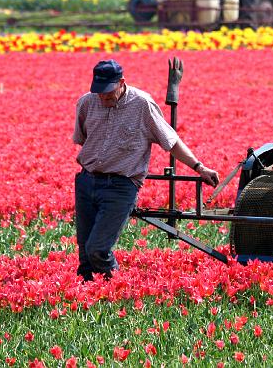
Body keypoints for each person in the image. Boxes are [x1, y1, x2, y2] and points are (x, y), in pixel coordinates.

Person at [72, 59, 219, 281]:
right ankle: (90, 297)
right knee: (85, 256)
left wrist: (198, 167)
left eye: (108, 92)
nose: (103, 97)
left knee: (97, 249)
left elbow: (170, 141)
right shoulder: (87, 102)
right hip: (87, 182)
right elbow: (83, 140)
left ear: (121, 82)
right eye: (99, 92)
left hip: (120, 186)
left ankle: (115, 289)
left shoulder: (142, 105)